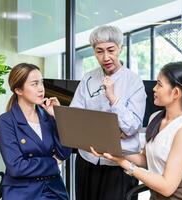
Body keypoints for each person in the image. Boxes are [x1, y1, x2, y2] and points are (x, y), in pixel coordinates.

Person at [91, 62, 182, 200]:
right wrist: (114, 150)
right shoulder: (155, 118)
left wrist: (124, 164)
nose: (154, 89)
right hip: (156, 195)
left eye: (159, 84)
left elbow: (167, 187)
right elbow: (146, 160)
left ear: (175, 92)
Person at [70, 25, 147, 200]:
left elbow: (132, 127)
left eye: (111, 50)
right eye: (99, 51)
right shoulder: (88, 78)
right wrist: (112, 131)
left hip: (118, 163)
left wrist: (113, 98)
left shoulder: (133, 81)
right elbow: (76, 117)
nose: (106, 57)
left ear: (120, 48)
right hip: (87, 159)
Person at [0, 63, 71, 200]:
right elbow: (17, 167)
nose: (41, 89)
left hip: (53, 189)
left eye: (41, 83)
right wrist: (53, 162)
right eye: (34, 84)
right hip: (23, 192)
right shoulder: (6, 121)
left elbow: (64, 153)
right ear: (18, 90)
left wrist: (58, 117)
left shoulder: (48, 115)